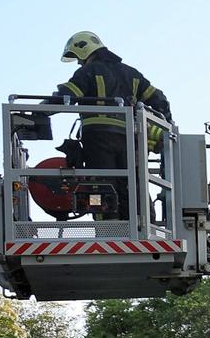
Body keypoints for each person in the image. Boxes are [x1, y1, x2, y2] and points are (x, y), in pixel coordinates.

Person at [51, 31, 173, 220]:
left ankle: (108, 225)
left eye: (78, 58)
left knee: (101, 183)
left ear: (84, 51)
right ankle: (142, 222)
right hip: (131, 140)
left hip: (98, 139)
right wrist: (168, 125)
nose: (78, 63)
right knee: (135, 182)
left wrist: (39, 111)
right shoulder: (131, 73)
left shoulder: (87, 71)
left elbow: (65, 97)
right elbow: (159, 99)